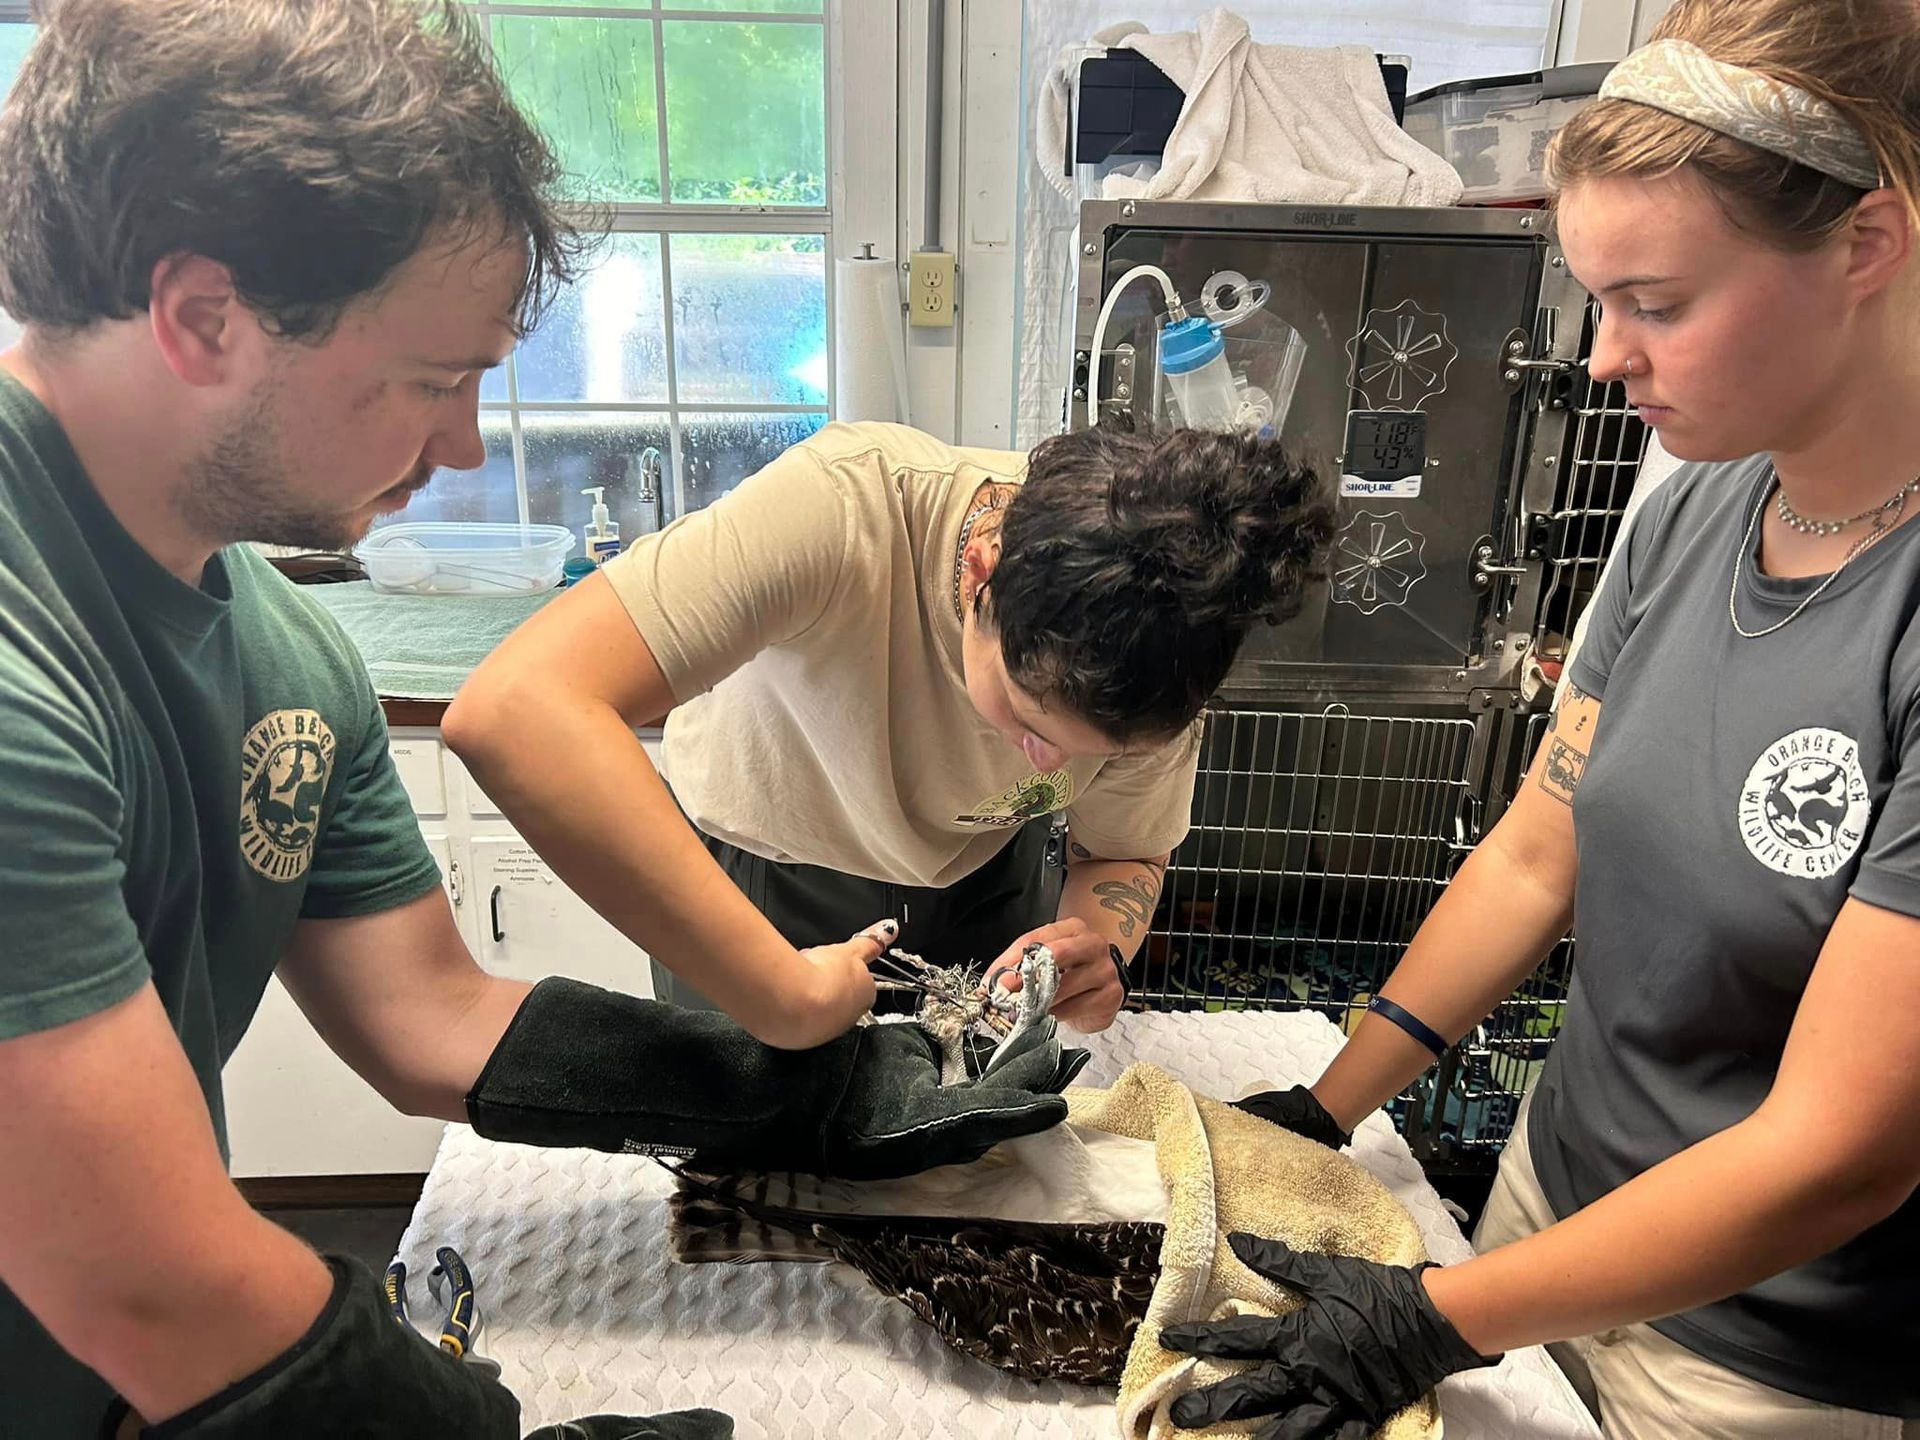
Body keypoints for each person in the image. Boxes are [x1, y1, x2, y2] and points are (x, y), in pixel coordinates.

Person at [0, 4, 1078, 1435]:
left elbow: (427, 1015)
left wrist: (793, 1092)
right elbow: (152, 1281)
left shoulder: (286, 657)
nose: (459, 443)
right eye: (434, 379)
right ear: (205, 318)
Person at [1161, 4, 1920, 1438]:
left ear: (1865, 249)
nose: (1607, 360)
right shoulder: (1699, 503)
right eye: (1595, 303)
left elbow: (1843, 1151)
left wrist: (1429, 1325)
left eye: (1660, 302)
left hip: (1756, 1361)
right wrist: (1332, 1109)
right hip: (1541, 1225)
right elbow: (1535, 851)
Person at [445, 420, 1333, 1041]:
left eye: (1095, 756)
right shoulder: (842, 508)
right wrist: (779, 990)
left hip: (987, 888)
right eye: (1028, 720)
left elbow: (1119, 854)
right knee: (752, 1188)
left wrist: (1096, 943)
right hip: (759, 881)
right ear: (982, 575)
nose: (1050, 768)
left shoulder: (1176, 634)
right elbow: (516, 709)